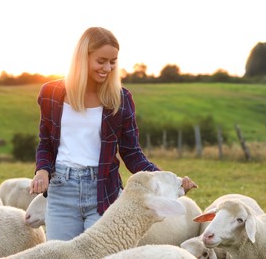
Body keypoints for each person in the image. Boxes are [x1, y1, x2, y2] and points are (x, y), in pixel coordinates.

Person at [30, 27, 195, 241]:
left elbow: (132, 153)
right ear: (83, 57)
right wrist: (42, 170)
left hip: (103, 192)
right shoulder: (50, 94)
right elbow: (46, 143)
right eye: (101, 61)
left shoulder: (121, 99)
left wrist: (169, 181)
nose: (107, 68)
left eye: (113, 61)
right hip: (61, 190)